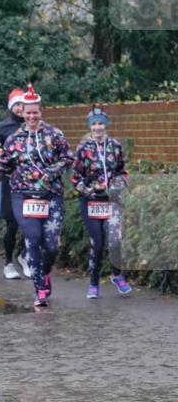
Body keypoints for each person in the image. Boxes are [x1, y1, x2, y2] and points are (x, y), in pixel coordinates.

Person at [0, 84, 73, 307]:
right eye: (28, 112)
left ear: (41, 112)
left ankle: (44, 273)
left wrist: (50, 172)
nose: (32, 116)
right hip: (22, 195)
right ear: (23, 113)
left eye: (35, 112)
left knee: (52, 245)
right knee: (33, 239)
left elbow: (67, 158)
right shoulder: (14, 138)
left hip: (51, 194)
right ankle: (40, 289)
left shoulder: (54, 135)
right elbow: (5, 163)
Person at [70, 106, 132, 299]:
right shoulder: (83, 148)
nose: (98, 127)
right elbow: (74, 178)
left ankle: (117, 275)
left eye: (101, 123)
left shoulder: (115, 145)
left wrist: (117, 184)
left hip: (111, 201)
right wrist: (90, 190)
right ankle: (94, 283)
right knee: (97, 243)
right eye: (94, 124)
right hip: (90, 202)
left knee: (115, 240)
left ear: (106, 125)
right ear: (90, 126)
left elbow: (123, 172)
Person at [0, 88, 29, 280]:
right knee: (12, 224)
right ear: (11, 107)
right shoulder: (2, 128)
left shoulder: (33, 126)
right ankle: (8, 263)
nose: (21, 108)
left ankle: (23, 255)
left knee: (30, 222)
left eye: (24, 104)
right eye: (17, 105)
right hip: (9, 182)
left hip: (31, 182)